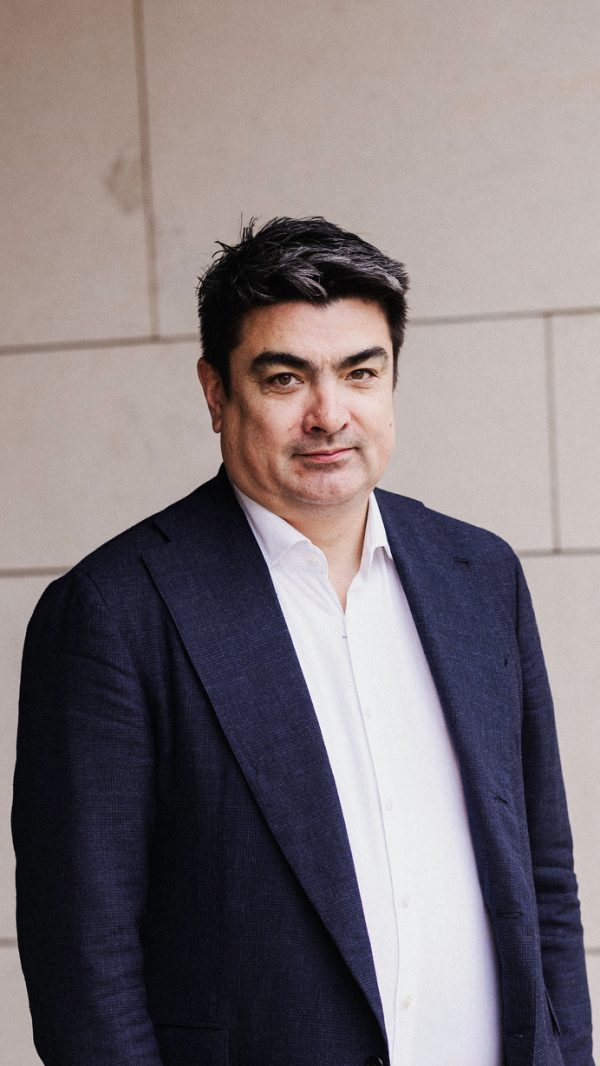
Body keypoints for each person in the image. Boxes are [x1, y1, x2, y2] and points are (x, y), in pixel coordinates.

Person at [12, 216, 593, 1066]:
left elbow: (544, 880)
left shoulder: (481, 577)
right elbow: (84, 962)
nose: (330, 415)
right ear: (216, 393)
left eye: (361, 373)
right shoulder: (113, 613)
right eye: (286, 378)